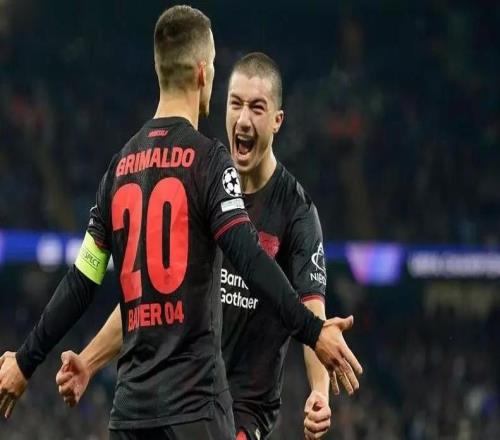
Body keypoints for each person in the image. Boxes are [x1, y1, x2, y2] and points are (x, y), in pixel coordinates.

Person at [54, 53, 359, 440]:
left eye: (257, 108)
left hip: (244, 410)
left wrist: (318, 391)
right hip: (185, 397)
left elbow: (313, 310)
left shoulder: (296, 212)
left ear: (277, 120)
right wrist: (88, 361)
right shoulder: (202, 179)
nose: (243, 119)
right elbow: (147, 298)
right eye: (236, 104)